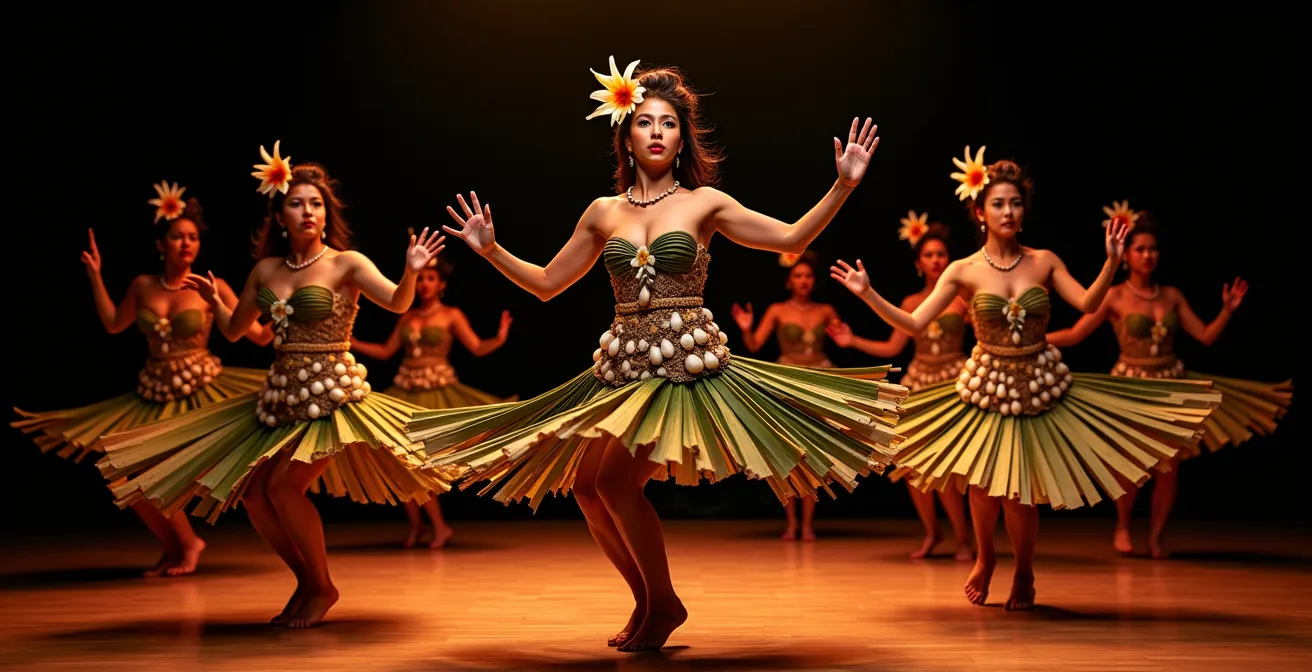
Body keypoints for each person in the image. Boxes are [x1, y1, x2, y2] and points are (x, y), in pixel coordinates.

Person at [408, 57, 904, 651]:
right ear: (626, 133)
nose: (658, 132)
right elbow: (545, 283)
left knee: (617, 487)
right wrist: (491, 252)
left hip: (684, 368)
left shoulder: (704, 204)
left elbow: (793, 238)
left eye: (669, 123)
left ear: (681, 137)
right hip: (621, 368)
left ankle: (663, 601)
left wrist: (843, 185)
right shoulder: (602, 213)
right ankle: (650, 603)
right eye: (646, 121)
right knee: (588, 489)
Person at [830, 146, 1220, 610]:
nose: (1008, 211)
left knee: (1020, 491)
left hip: (1038, 386)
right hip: (985, 387)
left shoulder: (1045, 261)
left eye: (1015, 203)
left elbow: (1090, 305)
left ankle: (1025, 570)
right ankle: (985, 557)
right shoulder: (963, 270)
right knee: (978, 483)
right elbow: (914, 326)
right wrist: (869, 293)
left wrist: (1113, 260)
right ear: (980, 212)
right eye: (998, 203)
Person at [96, 144, 451, 628]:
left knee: (285, 489)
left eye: (317, 203)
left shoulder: (347, 263)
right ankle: (307, 582)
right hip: (282, 394)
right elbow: (237, 331)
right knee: (255, 494)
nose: (308, 211)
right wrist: (212, 301)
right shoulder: (267, 270)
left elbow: (394, 302)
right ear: (280, 215)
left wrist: (409, 273)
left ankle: (322, 585)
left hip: (331, 396)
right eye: (297, 203)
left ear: (326, 214)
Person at [13, 184, 269, 577]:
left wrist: (283, 308)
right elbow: (116, 324)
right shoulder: (143, 286)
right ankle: (178, 545)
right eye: (178, 236)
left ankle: (186, 546)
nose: (186, 243)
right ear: (160, 244)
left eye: (193, 237)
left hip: (202, 389)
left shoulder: (210, 287)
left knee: (167, 469)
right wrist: (96, 277)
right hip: (154, 391)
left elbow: (258, 335)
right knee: (124, 473)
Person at [1047, 206, 1293, 557]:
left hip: (1172, 387)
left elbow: (1205, 336)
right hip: (1131, 389)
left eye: (1153, 248)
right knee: (1130, 466)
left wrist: (1226, 310)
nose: (1149, 255)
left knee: (1169, 470)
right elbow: (1074, 334)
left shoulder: (1172, 295)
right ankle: (1122, 526)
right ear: (1127, 255)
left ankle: (1157, 536)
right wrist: (1035, 340)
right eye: (1141, 249)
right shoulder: (1115, 296)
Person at [827, 213, 974, 561]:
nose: (936, 260)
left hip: (955, 382)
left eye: (941, 254)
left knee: (947, 467)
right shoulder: (910, 303)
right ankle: (933, 532)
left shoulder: (964, 297)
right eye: (929, 255)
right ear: (918, 263)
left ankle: (965, 539)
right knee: (911, 466)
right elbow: (892, 349)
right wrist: (852, 342)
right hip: (920, 384)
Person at [351, 246, 514, 549]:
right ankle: (418, 525)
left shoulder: (451, 315)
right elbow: (386, 352)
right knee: (400, 462)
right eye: (421, 278)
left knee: (420, 465)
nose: (424, 283)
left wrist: (499, 339)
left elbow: (477, 348)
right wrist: (354, 342)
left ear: (441, 284)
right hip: (405, 393)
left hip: (438, 395)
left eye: (430, 278)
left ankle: (438, 527)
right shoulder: (406, 315)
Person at [729, 249, 841, 541]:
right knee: (787, 454)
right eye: (798, 275)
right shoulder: (778, 310)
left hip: (818, 380)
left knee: (813, 453)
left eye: (808, 275)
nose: (803, 280)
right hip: (787, 382)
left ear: (814, 281)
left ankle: (808, 524)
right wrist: (746, 329)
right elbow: (754, 346)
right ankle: (791, 522)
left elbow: (843, 340)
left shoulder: (827, 310)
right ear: (789, 281)